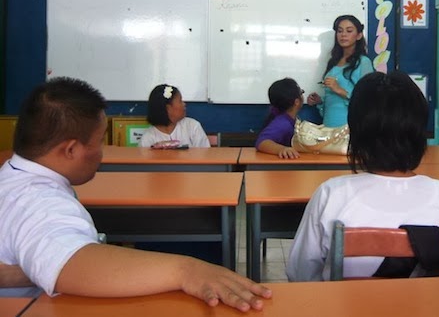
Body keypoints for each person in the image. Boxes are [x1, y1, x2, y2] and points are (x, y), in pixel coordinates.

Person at [0, 77, 271, 311]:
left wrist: (27, 272)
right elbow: (69, 263)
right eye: (99, 141)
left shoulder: (12, 176)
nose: (102, 152)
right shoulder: (41, 202)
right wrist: (187, 270)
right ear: (70, 150)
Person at [286, 71, 439, 281]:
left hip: (345, 301)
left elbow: (300, 273)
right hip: (423, 301)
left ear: (356, 131)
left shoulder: (331, 194)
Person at [306, 15, 374, 127]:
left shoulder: (363, 62)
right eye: (340, 31)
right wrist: (320, 101)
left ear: (359, 35)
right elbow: (333, 100)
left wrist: (339, 90)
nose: (343, 35)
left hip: (350, 127)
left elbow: (368, 99)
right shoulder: (333, 62)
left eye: (349, 31)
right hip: (328, 125)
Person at [139, 84, 210, 148]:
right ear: (168, 108)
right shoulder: (148, 138)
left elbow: (205, 154)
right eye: (180, 101)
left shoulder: (192, 127)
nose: (184, 104)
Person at [255, 78, 303, 159]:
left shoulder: (289, 119)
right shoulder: (282, 123)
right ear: (297, 102)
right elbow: (261, 142)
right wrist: (282, 149)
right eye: (301, 92)